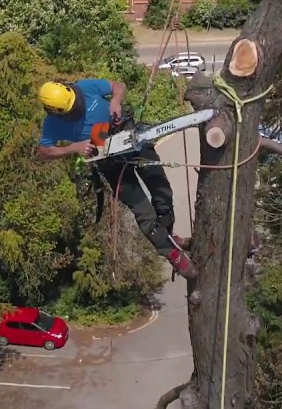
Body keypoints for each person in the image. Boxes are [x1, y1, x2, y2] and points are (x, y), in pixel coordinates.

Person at [36, 78, 198, 280]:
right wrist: (73, 147)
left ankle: (167, 237)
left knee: (162, 192)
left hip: (127, 134)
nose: (77, 106)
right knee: (144, 212)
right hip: (104, 154)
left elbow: (118, 86)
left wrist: (116, 101)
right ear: (57, 112)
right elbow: (44, 151)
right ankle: (171, 253)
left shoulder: (84, 87)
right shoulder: (52, 124)